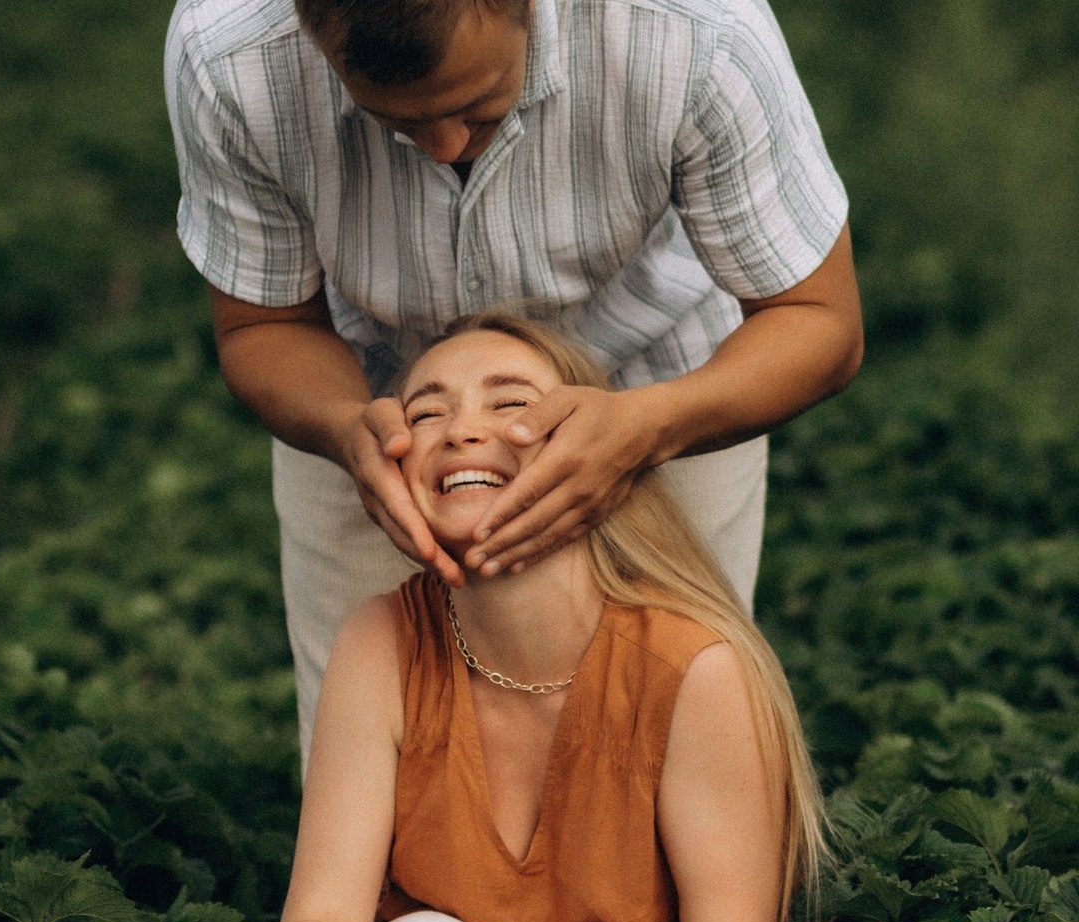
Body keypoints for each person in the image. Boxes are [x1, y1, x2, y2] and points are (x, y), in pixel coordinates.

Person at [164, 0, 864, 763]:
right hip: (374, 396)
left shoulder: (700, 30)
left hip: (662, 379)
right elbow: (266, 326)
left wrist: (652, 426)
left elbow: (816, 318)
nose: (441, 148)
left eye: (479, 108)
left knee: (674, 734)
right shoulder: (230, 54)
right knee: (377, 750)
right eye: (392, 120)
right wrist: (345, 428)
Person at [269, 312, 829, 922]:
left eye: (511, 405)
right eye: (424, 413)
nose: (461, 429)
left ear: (598, 453)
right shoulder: (380, 641)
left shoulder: (695, 665)